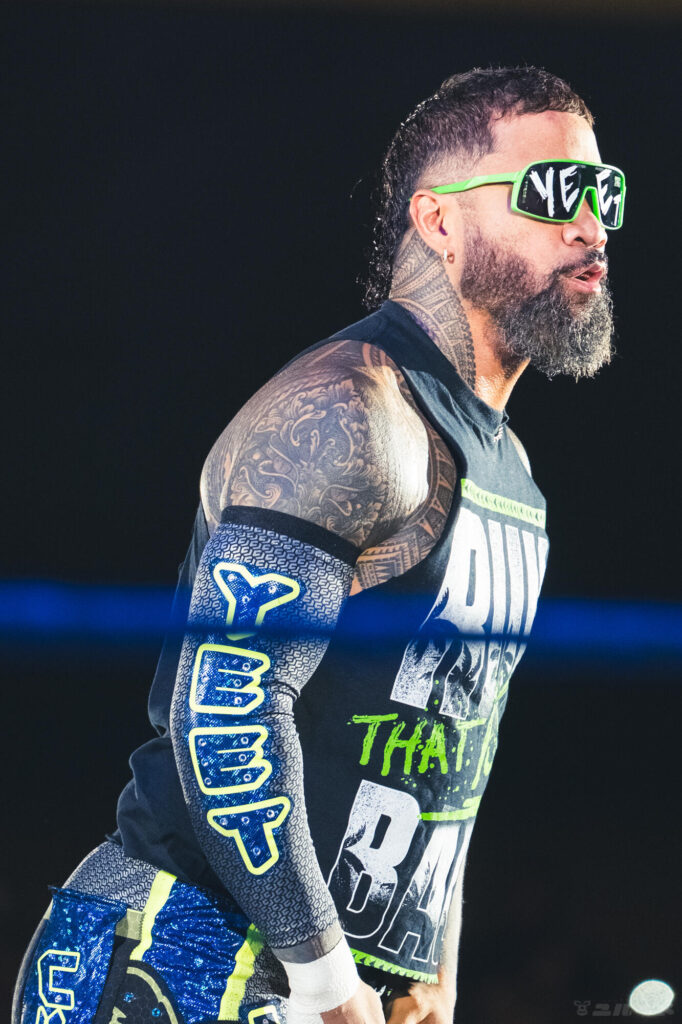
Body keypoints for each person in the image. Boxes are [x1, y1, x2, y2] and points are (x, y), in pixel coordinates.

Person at [14, 66, 622, 1024]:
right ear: (438, 219)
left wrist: (429, 968)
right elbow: (225, 714)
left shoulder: (510, 475)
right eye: (554, 191)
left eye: (605, 193)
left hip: (321, 976)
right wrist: (330, 978)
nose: (591, 225)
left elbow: (453, 748)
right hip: (179, 953)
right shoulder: (350, 411)